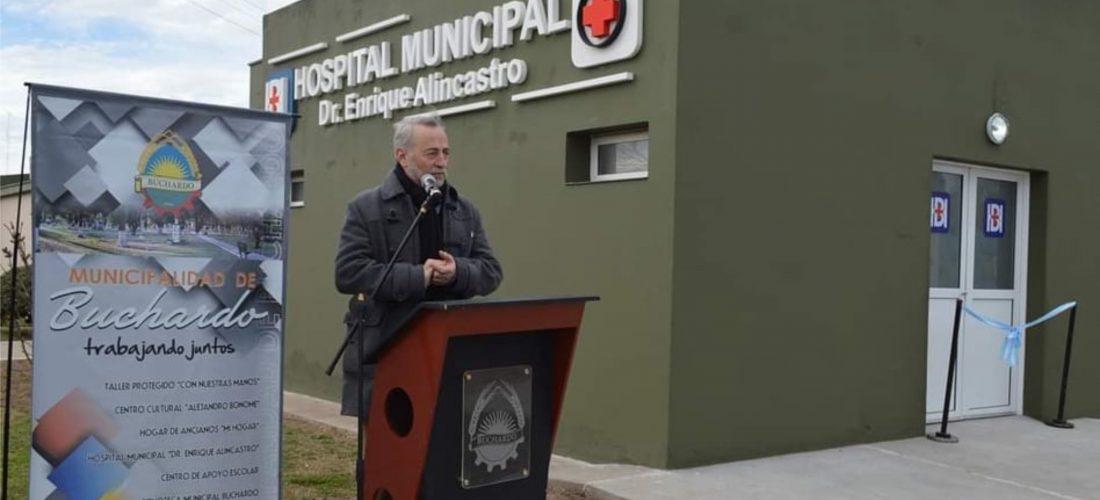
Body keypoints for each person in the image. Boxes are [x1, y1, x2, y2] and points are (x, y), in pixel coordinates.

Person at [334, 114, 503, 417]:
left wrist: (457, 273)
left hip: (449, 354)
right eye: (432, 153)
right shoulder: (366, 207)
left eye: (446, 152)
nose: (442, 162)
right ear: (402, 156)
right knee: (390, 459)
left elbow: (491, 271)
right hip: (386, 350)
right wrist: (419, 276)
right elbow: (349, 272)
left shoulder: (463, 209)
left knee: (445, 456)